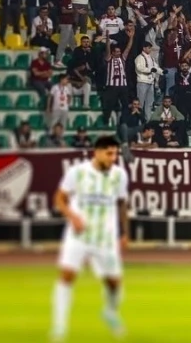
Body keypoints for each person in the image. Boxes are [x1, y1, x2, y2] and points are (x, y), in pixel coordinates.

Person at [50, 135, 129, 342]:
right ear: (97, 152)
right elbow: (59, 198)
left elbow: (121, 203)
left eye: (115, 154)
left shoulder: (119, 175)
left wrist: (124, 233)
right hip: (79, 235)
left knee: (114, 283)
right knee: (67, 275)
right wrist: (73, 216)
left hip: (105, 237)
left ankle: (110, 312)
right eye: (109, 154)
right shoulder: (77, 172)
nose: (113, 158)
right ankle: (59, 327)